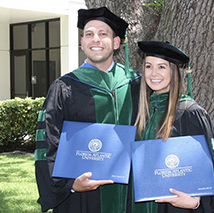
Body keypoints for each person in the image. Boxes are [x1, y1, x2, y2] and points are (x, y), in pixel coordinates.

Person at [34, 7, 140, 212]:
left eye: (103, 34)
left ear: (116, 42)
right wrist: (69, 184)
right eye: (89, 34)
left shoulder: (136, 84)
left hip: (130, 194)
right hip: (83, 198)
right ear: (82, 43)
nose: (95, 39)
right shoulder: (64, 87)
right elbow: (47, 142)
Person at [133, 41, 214, 212]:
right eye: (148, 66)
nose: (153, 73)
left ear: (174, 72)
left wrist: (196, 202)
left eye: (161, 67)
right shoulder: (141, 112)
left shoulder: (190, 113)